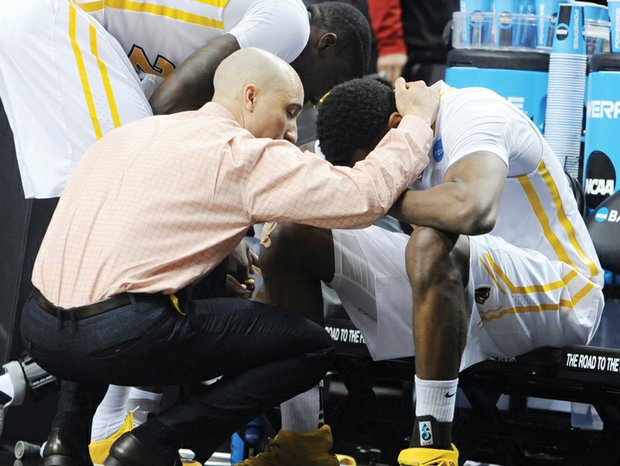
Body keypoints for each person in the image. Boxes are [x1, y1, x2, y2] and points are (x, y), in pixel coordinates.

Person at [20, 49, 439, 466]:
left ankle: (65, 442)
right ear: (250, 98)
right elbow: (362, 198)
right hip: (121, 336)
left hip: (41, 331)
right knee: (310, 348)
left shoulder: (132, 132)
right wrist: (417, 122)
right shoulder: (242, 152)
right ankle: (152, 444)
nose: (293, 132)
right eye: (290, 111)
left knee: (93, 305)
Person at [260, 78, 605, 465]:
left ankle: (431, 449)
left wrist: (373, 193)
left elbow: (472, 210)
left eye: (371, 163)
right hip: (453, 286)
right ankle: (302, 446)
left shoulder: (472, 111)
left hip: (559, 293)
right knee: (289, 237)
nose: (374, 173)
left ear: (397, 125)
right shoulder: (364, 130)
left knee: (432, 240)